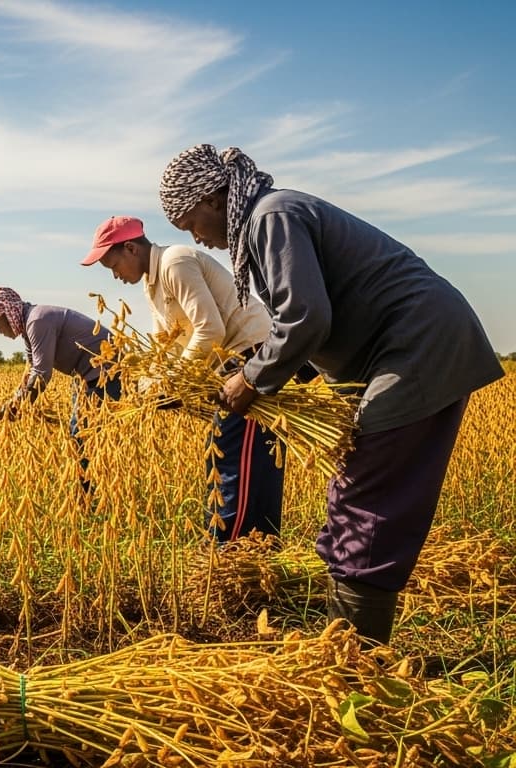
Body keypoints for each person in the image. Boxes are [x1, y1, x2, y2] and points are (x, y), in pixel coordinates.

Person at [158, 143, 503, 645]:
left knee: (367, 496)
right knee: (355, 491)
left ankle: (355, 658)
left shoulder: (271, 216)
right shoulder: (269, 218)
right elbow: (312, 320)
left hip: (417, 346)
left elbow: (306, 318)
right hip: (411, 346)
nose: (196, 238)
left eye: (191, 223)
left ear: (212, 199)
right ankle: (346, 644)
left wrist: (253, 380)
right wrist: (260, 378)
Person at [82, 215, 285, 544]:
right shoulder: (153, 284)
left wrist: (173, 382)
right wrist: (149, 386)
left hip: (251, 358)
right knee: (222, 450)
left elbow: (210, 329)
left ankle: (233, 549)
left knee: (238, 454)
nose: (115, 275)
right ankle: (249, 547)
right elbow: (165, 345)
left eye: (113, 264)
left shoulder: (175, 262)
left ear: (131, 248)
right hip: (227, 363)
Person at [0, 287, 119, 495]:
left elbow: (42, 374)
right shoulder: (31, 325)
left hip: (105, 372)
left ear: (9, 313)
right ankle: (90, 492)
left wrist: (17, 405)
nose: (1, 331)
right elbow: (31, 370)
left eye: (0, 325)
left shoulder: (37, 321)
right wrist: (15, 401)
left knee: (81, 435)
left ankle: (88, 497)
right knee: (80, 433)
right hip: (86, 375)